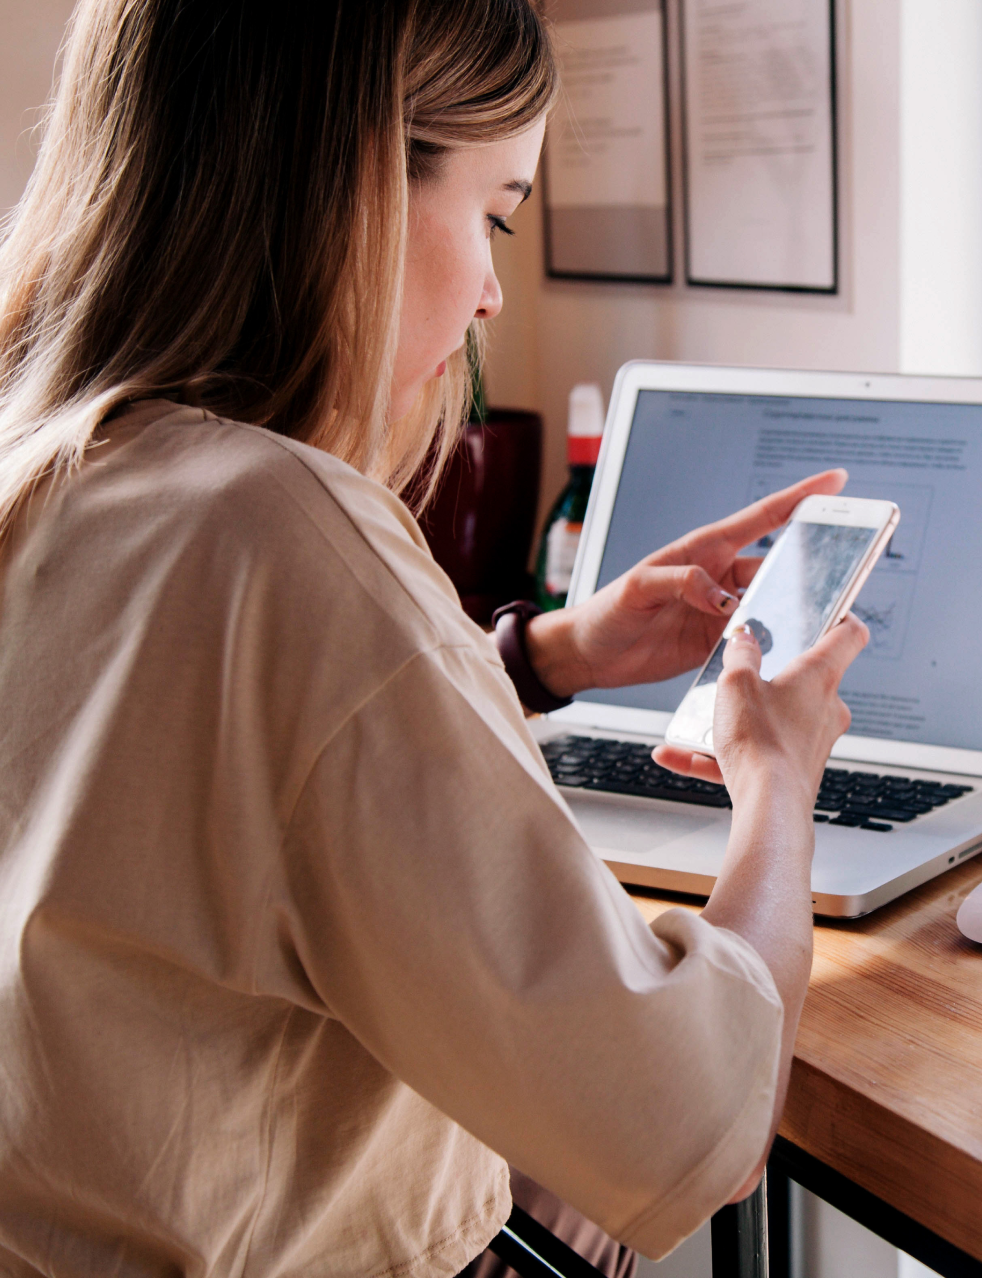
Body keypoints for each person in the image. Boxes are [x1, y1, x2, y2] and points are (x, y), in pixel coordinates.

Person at [0, 2, 864, 1275]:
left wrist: (545, 656)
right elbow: (698, 1124)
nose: (493, 289)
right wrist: (777, 779)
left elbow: (206, 779)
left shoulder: (56, 466)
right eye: (498, 212)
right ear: (352, 183)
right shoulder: (280, 532)